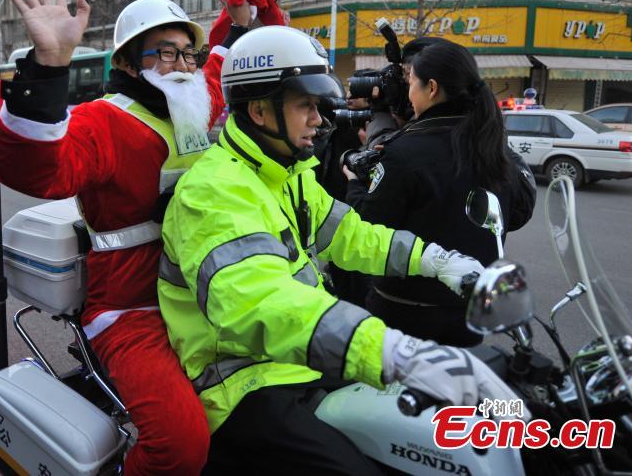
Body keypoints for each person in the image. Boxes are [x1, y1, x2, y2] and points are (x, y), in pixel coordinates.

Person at [158, 25, 520, 473]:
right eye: (305, 106)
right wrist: (393, 351)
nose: (319, 119)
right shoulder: (216, 191)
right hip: (244, 378)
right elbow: (260, 304)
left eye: (319, 105)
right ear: (259, 110)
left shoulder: (286, 173)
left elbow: (350, 234)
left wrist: (437, 261)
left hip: (300, 359)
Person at [0, 0, 226, 475]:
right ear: (127, 64)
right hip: (133, 305)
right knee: (179, 444)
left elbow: (221, 70)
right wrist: (48, 65)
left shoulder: (191, 103)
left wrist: (243, 16)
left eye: (189, 54)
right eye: (166, 52)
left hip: (207, 290)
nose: (184, 65)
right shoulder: (103, 120)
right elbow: (34, 171)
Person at [344, 39, 536, 347]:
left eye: (411, 83)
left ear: (431, 88)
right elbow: (516, 213)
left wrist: (354, 182)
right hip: (469, 317)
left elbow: (368, 227)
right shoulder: (493, 147)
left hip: (405, 316)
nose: (408, 93)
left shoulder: (404, 152)